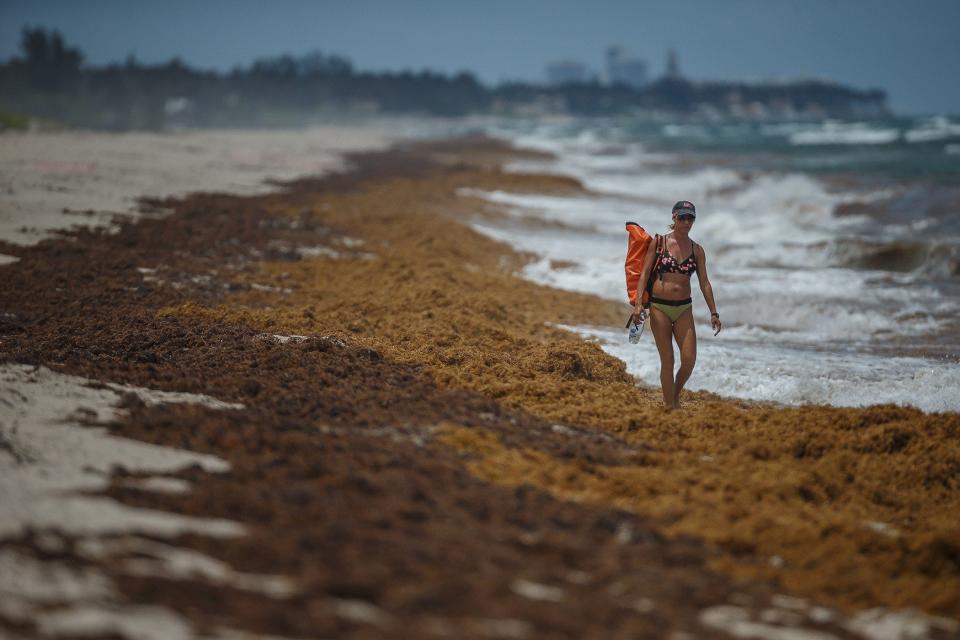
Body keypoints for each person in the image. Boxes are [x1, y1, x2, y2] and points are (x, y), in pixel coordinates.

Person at [634, 200, 721, 410]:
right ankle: (670, 405)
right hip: (659, 308)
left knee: (689, 360)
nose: (686, 222)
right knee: (668, 360)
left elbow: (704, 283)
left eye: (690, 218)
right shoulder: (660, 242)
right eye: (682, 217)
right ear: (674, 217)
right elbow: (645, 273)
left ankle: (674, 393)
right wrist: (638, 304)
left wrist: (714, 312)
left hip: (684, 308)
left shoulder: (697, 250)